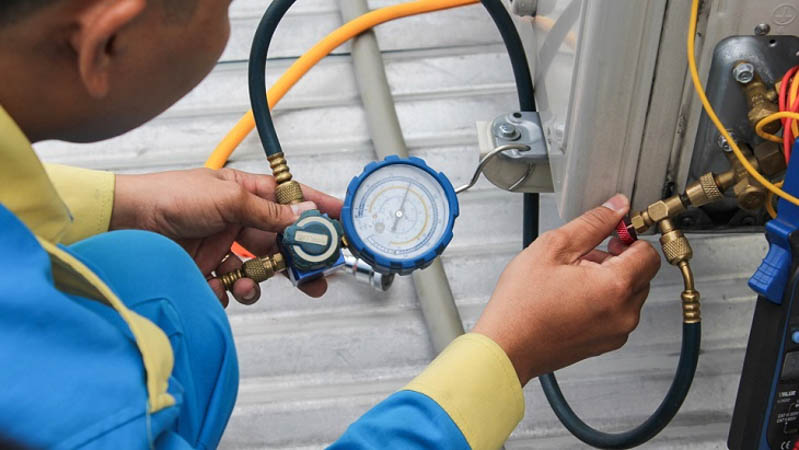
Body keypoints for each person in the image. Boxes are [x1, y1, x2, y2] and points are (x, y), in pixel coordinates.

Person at [0, 0, 661, 448]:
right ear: (107, 43)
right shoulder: (63, 396)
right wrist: (507, 356)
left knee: (151, 272)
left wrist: (123, 202)